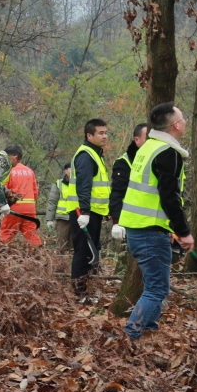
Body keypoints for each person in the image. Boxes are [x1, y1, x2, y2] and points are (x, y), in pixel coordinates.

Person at [110, 102, 192, 343]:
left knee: (155, 287)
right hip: (149, 232)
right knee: (157, 289)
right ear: (175, 125)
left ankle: (150, 331)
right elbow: (169, 197)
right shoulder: (167, 153)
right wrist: (183, 231)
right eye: (183, 117)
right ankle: (130, 335)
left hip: (139, 229)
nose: (185, 121)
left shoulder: (147, 148)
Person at [55, 120, 111, 299]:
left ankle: (85, 289)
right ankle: (79, 292)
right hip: (83, 213)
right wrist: (85, 212)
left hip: (94, 212)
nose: (105, 136)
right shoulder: (86, 156)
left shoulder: (95, 154)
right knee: (83, 251)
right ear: (89, 135)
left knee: (91, 251)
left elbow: (99, 187)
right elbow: (84, 186)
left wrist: (106, 210)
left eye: (105, 132)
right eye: (100, 133)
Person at [0, 154, 42, 247]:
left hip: (14, 207)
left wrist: (0, 205)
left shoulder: (8, 170)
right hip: (30, 208)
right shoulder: (29, 171)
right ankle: (40, 257)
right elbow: (35, 191)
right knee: (31, 235)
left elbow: (2, 189)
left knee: (6, 234)